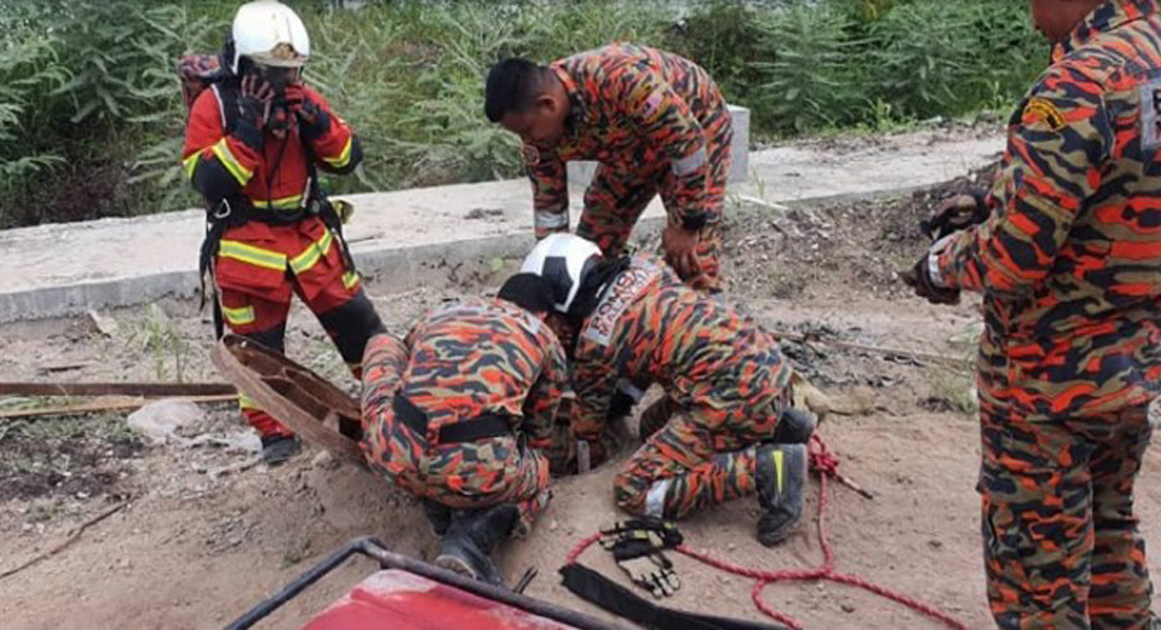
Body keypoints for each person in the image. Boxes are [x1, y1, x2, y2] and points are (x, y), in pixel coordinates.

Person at [905, 1, 1161, 626]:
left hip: (1047, 387)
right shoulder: (1160, 52)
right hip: (1131, 371)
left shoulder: (1080, 80)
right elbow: (1122, 184)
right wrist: (993, 197)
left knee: (1035, 575)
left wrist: (940, 266)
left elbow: (1012, 257)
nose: (1029, 10)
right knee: (1107, 533)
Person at [182, 1, 383, 464]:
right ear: (244, 64)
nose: (281, 80)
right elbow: (208, 181)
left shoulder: (303, 99)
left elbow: (348, 157)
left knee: (360, 326)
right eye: (272, 71)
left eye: (290, 71)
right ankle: (275, 434)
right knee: (258, 348)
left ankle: (386, 401)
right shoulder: (214, 107)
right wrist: (249, 132)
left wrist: (315, 123)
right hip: (248, 247)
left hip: (310, 237)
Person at [521, 234, 814, 546]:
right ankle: (781, 423)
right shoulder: (647, 264)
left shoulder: (595, 342)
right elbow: (640, 355)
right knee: (651, 426)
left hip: (733, 397)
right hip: (768, 367)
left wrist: (576, 463)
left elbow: (587, 435)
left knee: (633, 489)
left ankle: (769, 467)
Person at [359, 274, 571, 584]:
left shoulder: (443, 313)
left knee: (383, 343)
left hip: (396, 455)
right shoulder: (543, 337)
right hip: (478, 474)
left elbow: (406, 361)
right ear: (545, 316)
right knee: (539, 469)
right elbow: (539, 435)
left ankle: (438, 506)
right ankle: (469, 538)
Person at [484, 43, 732, 293]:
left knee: (692, 254)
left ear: (548, 105)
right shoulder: (538, 137)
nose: (525, 138)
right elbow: (549, 208)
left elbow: (688, 145)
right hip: (628, 151)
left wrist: (687, 224)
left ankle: (712, 326)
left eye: (526, 130)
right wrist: (549, 275)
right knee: (588, 255)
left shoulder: (621, 80)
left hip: (696, 129)